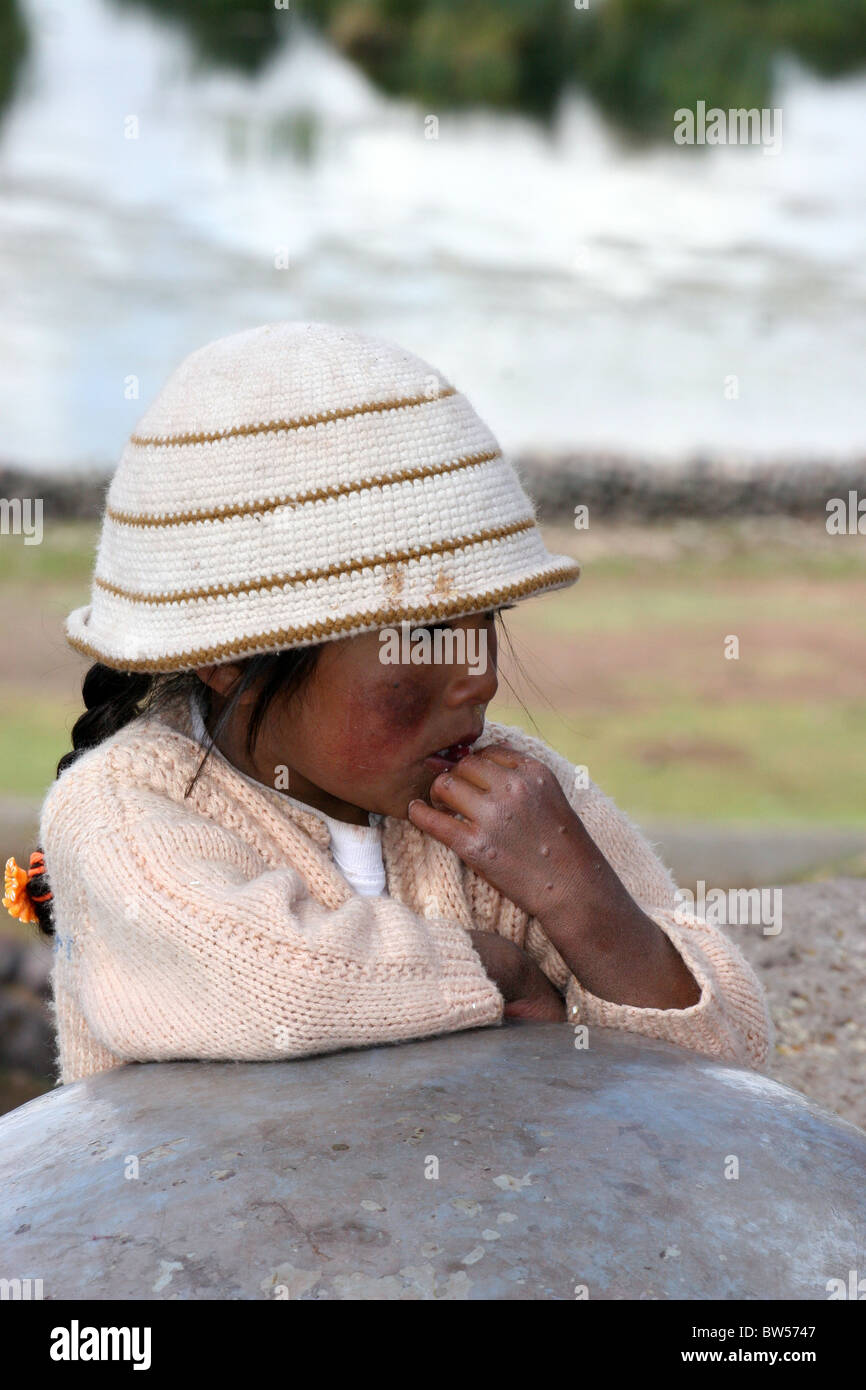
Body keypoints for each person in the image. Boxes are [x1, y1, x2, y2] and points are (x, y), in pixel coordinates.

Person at [4, 321, 770, 1086]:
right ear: (229, 659)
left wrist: (579, 895)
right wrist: (495, 970)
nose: (478, 676)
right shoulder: (124, 809)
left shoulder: (517, 799)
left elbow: (723, 1072)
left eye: (488, 622)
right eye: (426, 633)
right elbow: (273, 984)